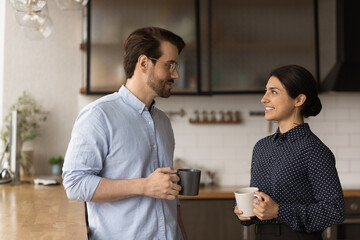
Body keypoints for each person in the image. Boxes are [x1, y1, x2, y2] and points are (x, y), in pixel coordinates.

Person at [62, 27, 188, 240]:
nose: (175, 74)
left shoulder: (163, 122)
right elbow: (75, 184)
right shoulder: (99, 115)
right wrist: (145, 185)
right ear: (144, 63)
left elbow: (169, 196)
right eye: (170, 65)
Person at [234, 65, 345, 239]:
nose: (264, 99)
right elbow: (259, 199)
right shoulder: (261, 147)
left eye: (274, 92)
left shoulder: (314, 150)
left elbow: (334, 210)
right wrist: (245, 212)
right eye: (266, 91)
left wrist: (279, 211)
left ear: (299, 100)